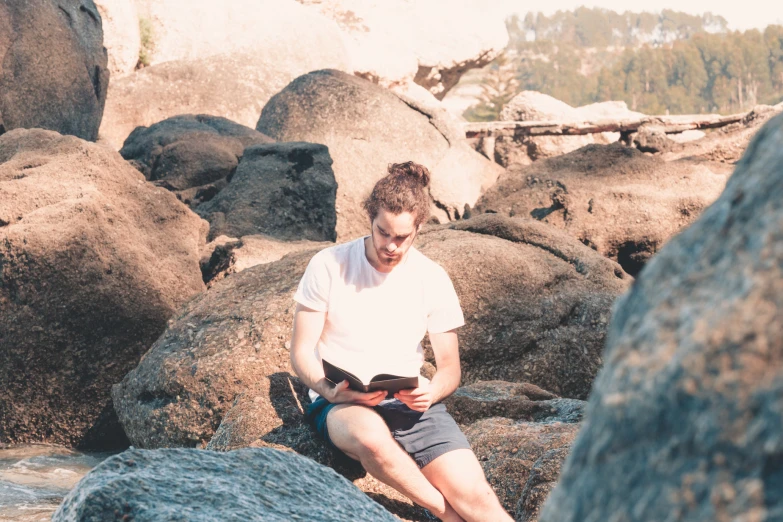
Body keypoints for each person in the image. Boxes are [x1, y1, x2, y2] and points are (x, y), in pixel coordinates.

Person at [290, 161, 513, 522]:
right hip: (342, 402)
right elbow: (301, 350)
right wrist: (327, 389)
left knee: (479, 497)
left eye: (402, 237)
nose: (391, 246)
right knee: (373, 443)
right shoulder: (329, 264)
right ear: (370, 219)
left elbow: (449, 369)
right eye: (383, 233)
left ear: (419, 228)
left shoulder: (432, 277)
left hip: (410, 405)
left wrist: (434, 392)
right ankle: (447, 516)